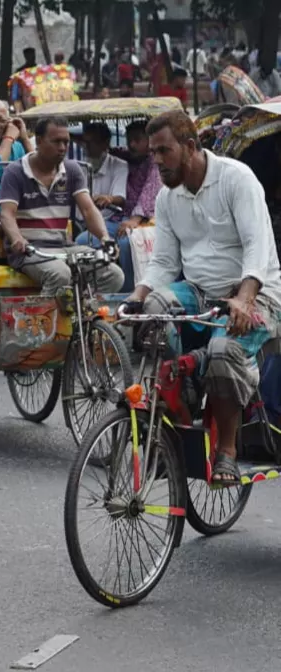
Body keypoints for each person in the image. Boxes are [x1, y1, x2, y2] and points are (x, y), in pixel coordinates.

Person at [122, 111, 281, 485]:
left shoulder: (236, 179)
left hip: (257, 293)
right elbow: (163, 261)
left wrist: (243, 298)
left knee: (225, 348)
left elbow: (258, 246)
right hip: (198, 291)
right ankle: (180, 406)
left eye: (164, 151)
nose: (157, 161)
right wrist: (137, 296)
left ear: (190, 147)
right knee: (155, 312)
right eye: (153, 154)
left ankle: (226, 448)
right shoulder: (167, 197)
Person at [0, 116, 125, 294]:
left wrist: (105, 237)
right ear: (39, 141)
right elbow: (7, 214)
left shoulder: (72, 170)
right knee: (60, 275)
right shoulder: (15, 171)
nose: (63, 148)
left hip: (63, 247)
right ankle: (46, 320)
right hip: (30, 251)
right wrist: (18, 239)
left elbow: (88, 210)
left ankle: (81, 316)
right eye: (56, 142)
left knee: (113, 275)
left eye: (66, 142)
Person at [71, 123, 133, 289]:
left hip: (110, 219)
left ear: (106, 143)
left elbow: (120, 197)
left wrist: (108, 199)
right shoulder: (79, 167)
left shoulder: (119, 165)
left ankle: (127, 290)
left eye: (93, 143)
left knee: (85, 241)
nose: (88, 148)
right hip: (81, 221)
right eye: (86, 143)